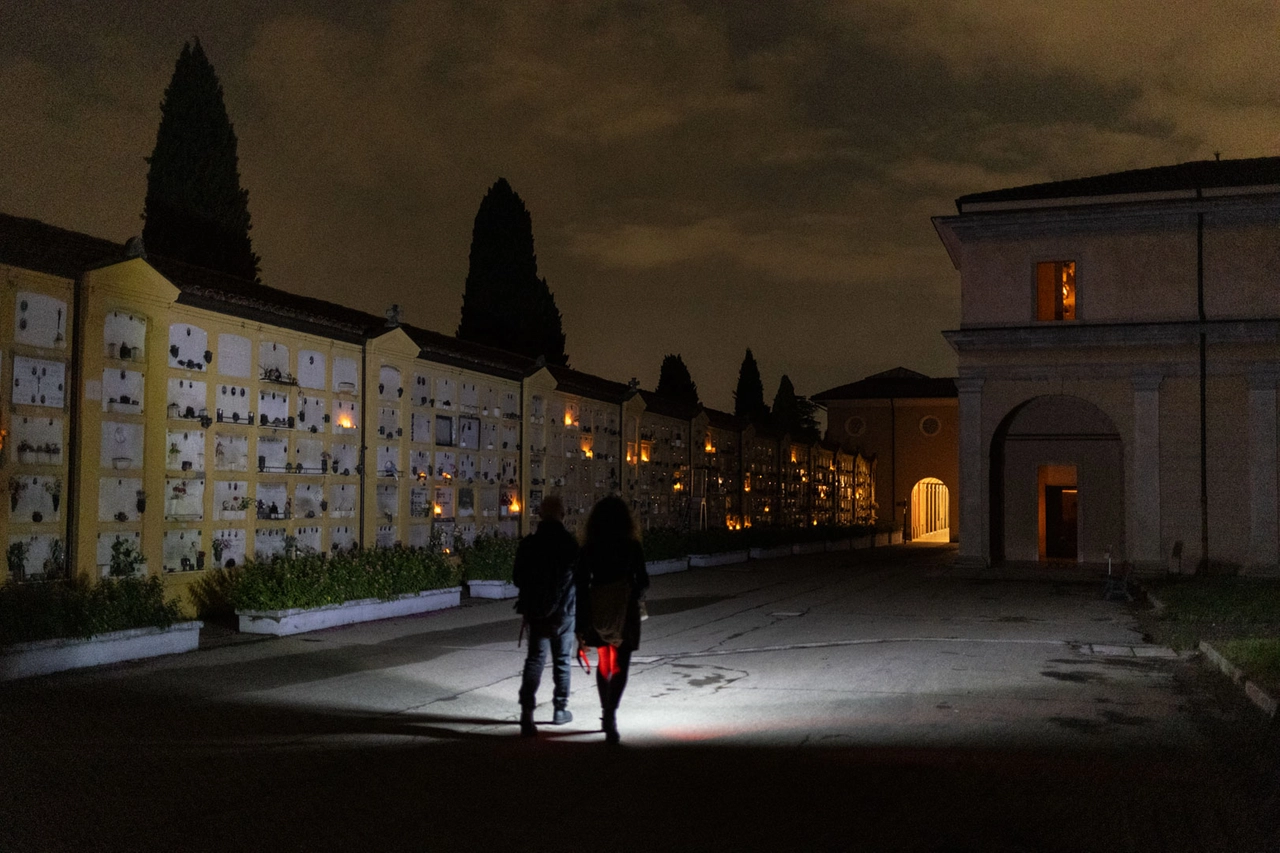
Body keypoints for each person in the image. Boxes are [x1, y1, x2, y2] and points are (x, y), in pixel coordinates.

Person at [575, 495, 649, 744]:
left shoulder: (590, 548)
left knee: (604, 662)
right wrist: (630, 589)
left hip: (598, 610)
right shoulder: (631, 546)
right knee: (621, 666)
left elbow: (581, 584)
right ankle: (610, 715)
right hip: (624, 611)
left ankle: (605, 712)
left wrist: (581, 623)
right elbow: (644, 581)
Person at [513, 494, 580, 737]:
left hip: (536, 612)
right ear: (563, 514)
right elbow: (581, 581)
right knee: (562, 661)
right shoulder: (570, 544)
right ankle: (560, 710)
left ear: (540, 514)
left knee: (535, 660)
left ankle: (527, 714)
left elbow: (517, 578)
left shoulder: (529, 544)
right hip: (564, 613)